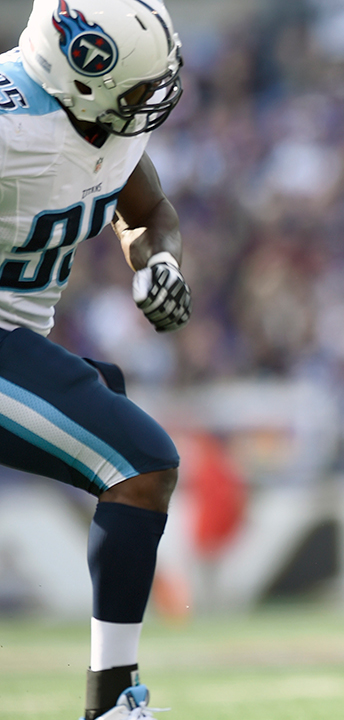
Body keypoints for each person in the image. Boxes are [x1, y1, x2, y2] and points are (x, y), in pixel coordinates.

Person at [1, 1, 191, 718]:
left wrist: (159, 262)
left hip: (16, 338)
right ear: (86, 72)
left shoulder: (102, 124)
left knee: (107, 396)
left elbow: (148, 213)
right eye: (140, 85)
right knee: (140, 463)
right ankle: (113, 704)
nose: (152, 97)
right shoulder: (13, 124)